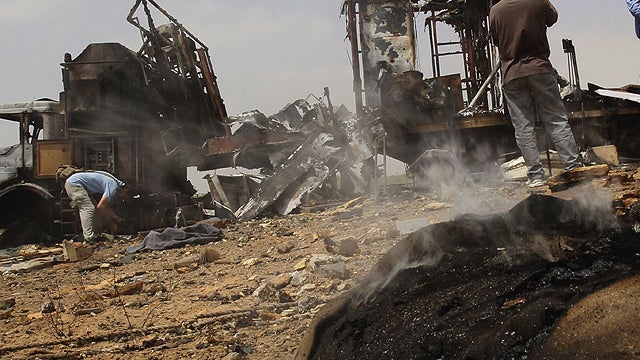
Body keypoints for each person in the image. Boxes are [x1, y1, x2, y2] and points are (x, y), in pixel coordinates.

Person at [490, 0, 582, 188]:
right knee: (556, 121)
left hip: (512, 75)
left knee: (524, 128)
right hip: (539, 68)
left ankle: (535, 176)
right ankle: (573, 169)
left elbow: (496, 41)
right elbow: (552, 18)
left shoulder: (495, 11)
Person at [58, 169, 127, 241]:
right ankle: (89, 237)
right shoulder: (113, 187)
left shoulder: (116, 183)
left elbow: (105, 207)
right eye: (124, 196)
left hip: (79, 184)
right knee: (88, 209)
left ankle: (97, 234)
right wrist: (111, 223)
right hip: (75, 184)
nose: (121, 198)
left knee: (95, 210)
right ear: (124, 190)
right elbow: (101, 207)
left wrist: (118, 219)